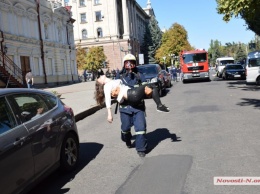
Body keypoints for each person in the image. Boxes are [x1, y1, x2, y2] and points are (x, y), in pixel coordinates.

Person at [118, 54, 168, 157]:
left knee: (141, 128)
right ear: (124, 64)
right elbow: (113, 89)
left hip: (138, 107)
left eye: (131, 62)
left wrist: (148, 90)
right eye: (127, 63)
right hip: (125, 107)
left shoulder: (140, 75)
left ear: (135, 64)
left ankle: (141, 148)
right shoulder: (120, 76)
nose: (129, 65)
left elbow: (146, 87)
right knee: (126, 127)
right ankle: (126, 138)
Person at [94, 74, 169, 122]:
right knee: (152, 85)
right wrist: (109, 115)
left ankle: (159, 105)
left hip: (132, 95)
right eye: (99, 78)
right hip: (131, 94)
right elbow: (108, 100)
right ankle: (159, 106)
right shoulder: (107, 86)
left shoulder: (112, 81)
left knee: (151, 88)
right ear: (101, 82)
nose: (100, 76)